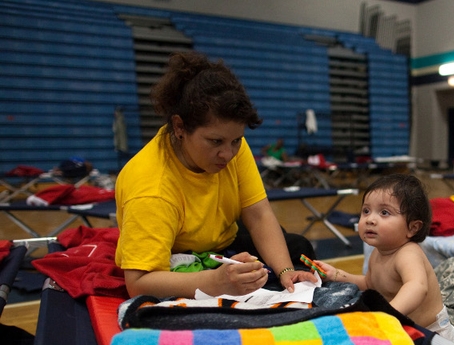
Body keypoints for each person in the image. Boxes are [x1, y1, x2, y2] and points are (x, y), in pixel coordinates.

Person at [115, 51, 316, 299]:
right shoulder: (151, 189)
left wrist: (286, 271)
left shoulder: (229, 144)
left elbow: (258, 213)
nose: (228, 154)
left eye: (236, 141)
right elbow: (138, 284)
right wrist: (215, 281)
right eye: (215, 142)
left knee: (296, 249)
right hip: (176, 256)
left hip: (219, 243)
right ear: (179, 127)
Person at [314, 174, 454, 345]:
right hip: (407, 331)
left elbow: (417, 287)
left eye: (384, 213)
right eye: (366, 210)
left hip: (434, 338)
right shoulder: (379, 252)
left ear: (412, 228)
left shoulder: (408, 253)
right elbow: (370, 283)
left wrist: (387, 313)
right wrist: (337, 274)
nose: (370, 219)